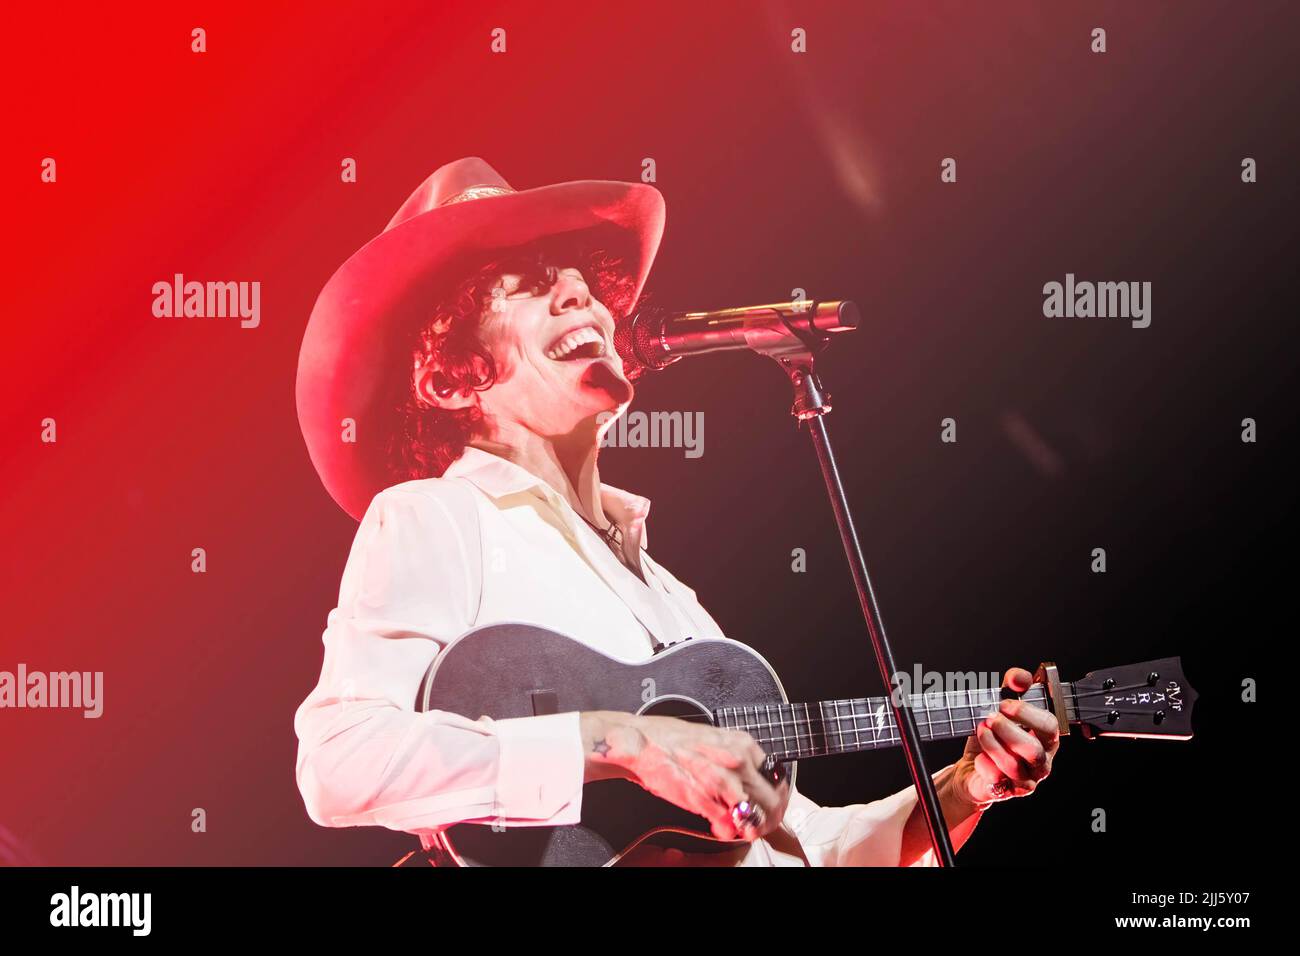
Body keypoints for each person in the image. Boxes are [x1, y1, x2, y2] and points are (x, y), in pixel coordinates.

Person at [292, 158, 1059, 866]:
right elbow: (340, 762)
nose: (579, 296)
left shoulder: (667, 594)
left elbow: (801, 852)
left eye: (581, 283)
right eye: (528, 285)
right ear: (454, 377)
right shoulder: (437, 517)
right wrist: (623, 742)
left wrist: (965, 789)